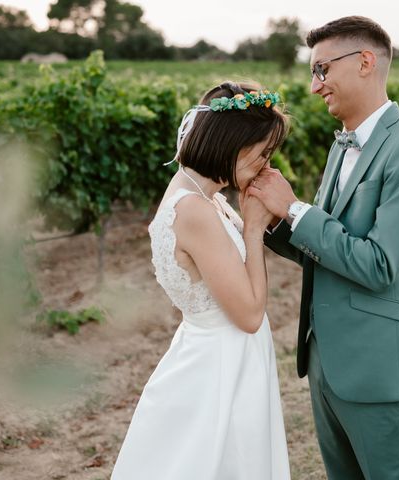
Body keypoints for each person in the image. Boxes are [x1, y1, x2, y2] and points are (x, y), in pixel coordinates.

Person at [248, 16, 399, 480]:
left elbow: (379, 265)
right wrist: (272, 218)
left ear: (364, 62)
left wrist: (295, 209)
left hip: (378, 370)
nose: (315, 86)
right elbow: (329, 249)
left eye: (321, 69)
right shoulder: (342, 146)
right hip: (326, 364)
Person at [111, 81, 291, 480]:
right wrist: (254, 229)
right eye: (262, 152)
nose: (266, 163)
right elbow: (248, 315)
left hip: (222, 354)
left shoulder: (203, 196)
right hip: (218, 366)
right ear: (232, 145)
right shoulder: (194, 208)